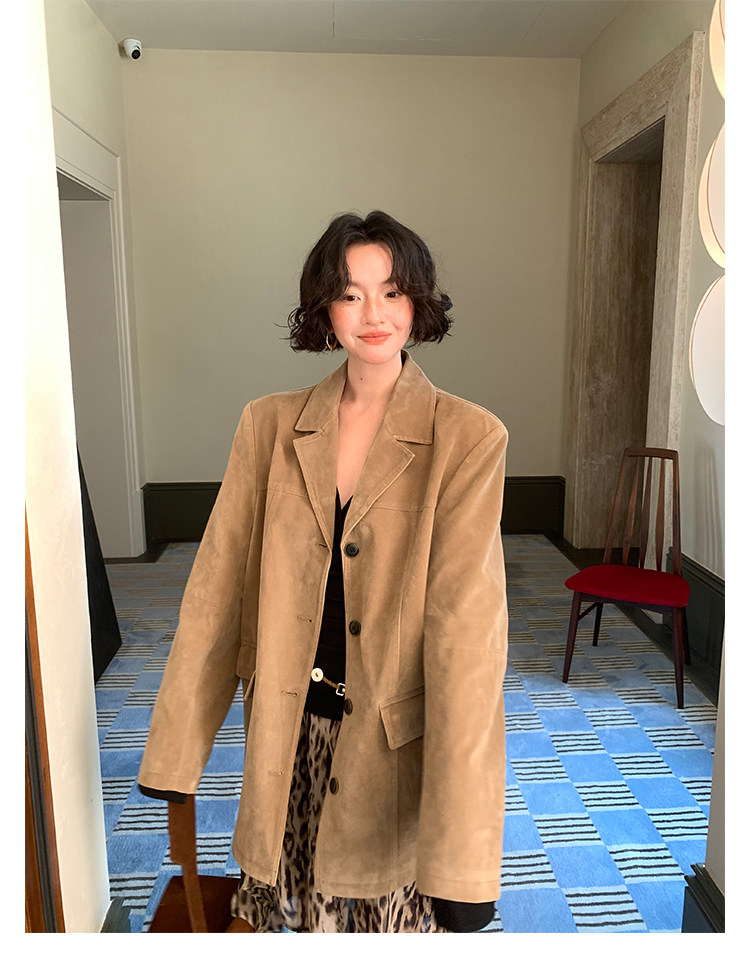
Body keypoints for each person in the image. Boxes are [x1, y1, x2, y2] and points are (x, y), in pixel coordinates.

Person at [138, 211, 509, 933]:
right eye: (350, 293)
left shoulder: (468, 437)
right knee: (293, 918)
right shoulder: (268, 425)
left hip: (391, 749)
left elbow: (468, 641)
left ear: (417, 302)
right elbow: (215, 593)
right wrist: (177, 749)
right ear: (324, 308)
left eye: (392, 292)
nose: (374, 314)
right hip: (288, 734)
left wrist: (464, 854)